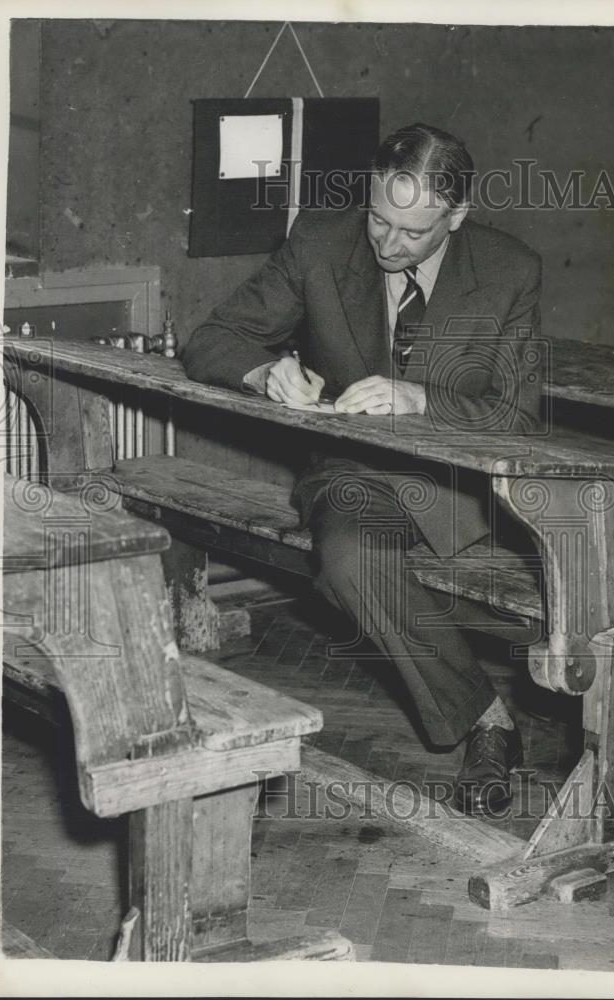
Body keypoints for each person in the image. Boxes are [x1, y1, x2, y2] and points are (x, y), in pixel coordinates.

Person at [183, 122, 543, 816]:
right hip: (354, 472)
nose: (386, 242)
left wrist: (418, 399)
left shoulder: (508, 269)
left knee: (612, 594)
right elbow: (214, 338)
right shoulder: (322, 242)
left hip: (460, 484)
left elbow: (518, 416)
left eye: (411, 232)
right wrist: (263, 373)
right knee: (348, 560)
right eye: (379, 217)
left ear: (458, 216)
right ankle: (485, 720)